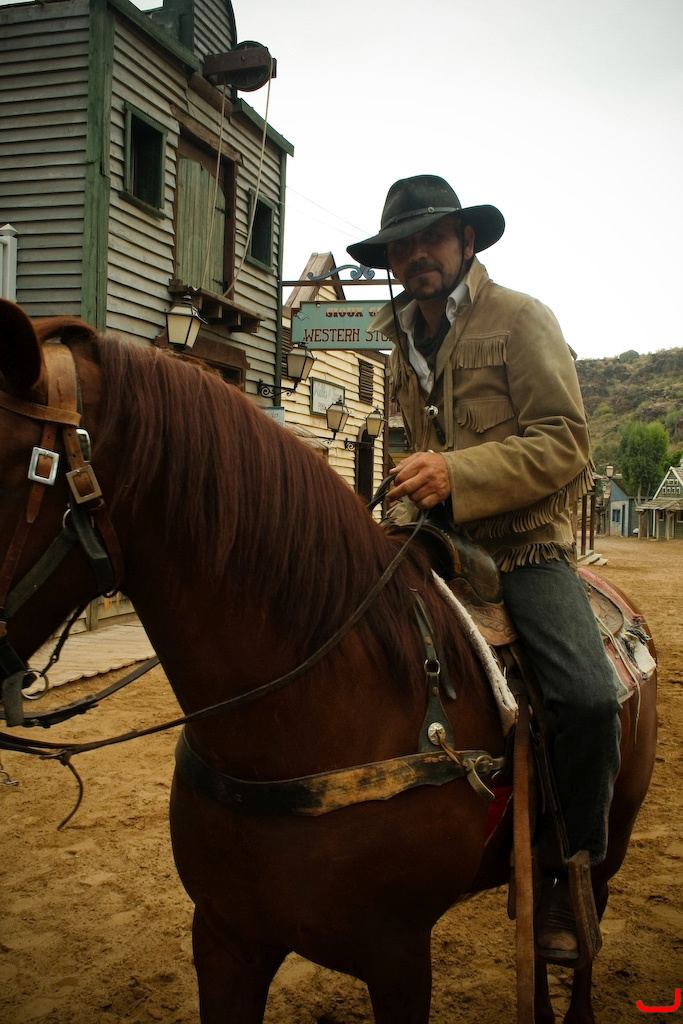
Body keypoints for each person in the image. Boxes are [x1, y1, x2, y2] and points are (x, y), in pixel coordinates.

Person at [347, 174, 622, 962]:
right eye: (401, 245)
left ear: (465, 241)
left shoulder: (522, 319)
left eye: (431, 238)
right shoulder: (398, 340)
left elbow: (565, 444)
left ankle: (569, 870)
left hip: (521, 548)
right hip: (432, 536)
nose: (416, 254)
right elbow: (418, 440)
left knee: (585, 698)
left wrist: (456, 474)